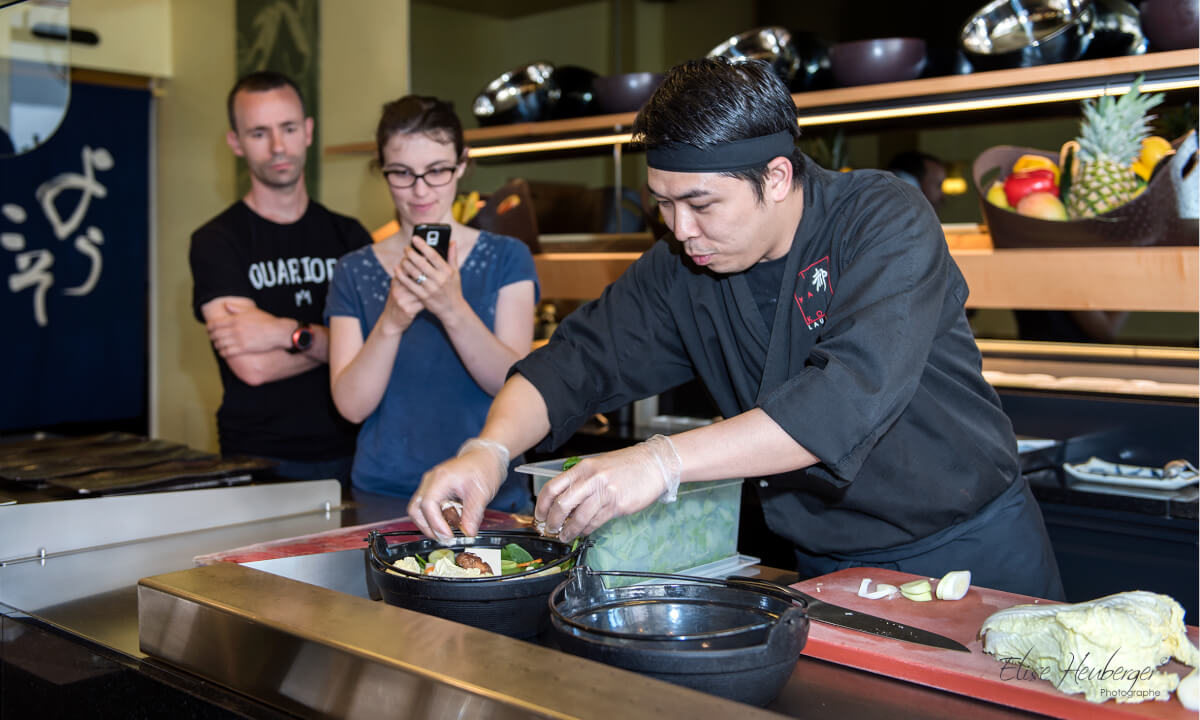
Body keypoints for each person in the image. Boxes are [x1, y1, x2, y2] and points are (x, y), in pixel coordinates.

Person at [407, 58, 1065, 600]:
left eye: (700, 204)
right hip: (827, 568)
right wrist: (488, 451)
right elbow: (573, 363)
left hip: (969, 552)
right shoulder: (681, 266)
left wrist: (660, 462)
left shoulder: (881, 220)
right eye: (664, 204)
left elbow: (841, 400)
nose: (680, 229)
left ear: (775, 177)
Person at [325, 95, 538, 511]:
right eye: (402, 173)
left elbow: (514, 384)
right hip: (385, 493)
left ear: (461, 164)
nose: (420, 190)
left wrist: (451, 307)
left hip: (489, 492)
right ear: (383, 170)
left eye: (437, 171)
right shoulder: (354, 269)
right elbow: (351, 406)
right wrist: (391, 321)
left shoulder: (508, 257)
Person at [190, 71, 372, 486]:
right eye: (259, 133)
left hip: (356, 453)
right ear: (236, 142)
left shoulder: (350, 237)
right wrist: (336, 343)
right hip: (259, 457)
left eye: (288, 128)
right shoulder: (216, 241)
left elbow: (377, 351)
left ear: (307, 131)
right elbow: (252, 367)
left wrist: (285, 332)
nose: (277, 146)